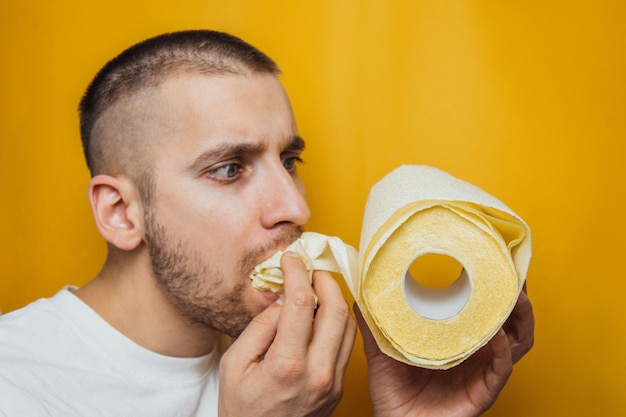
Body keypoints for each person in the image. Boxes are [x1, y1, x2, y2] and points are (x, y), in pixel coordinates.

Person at [0, 30, 534, 416]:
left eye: (288, 162)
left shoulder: (284, 383)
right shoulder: (16, 385)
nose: (296, 209)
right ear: (121, 213)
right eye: (229, 169)